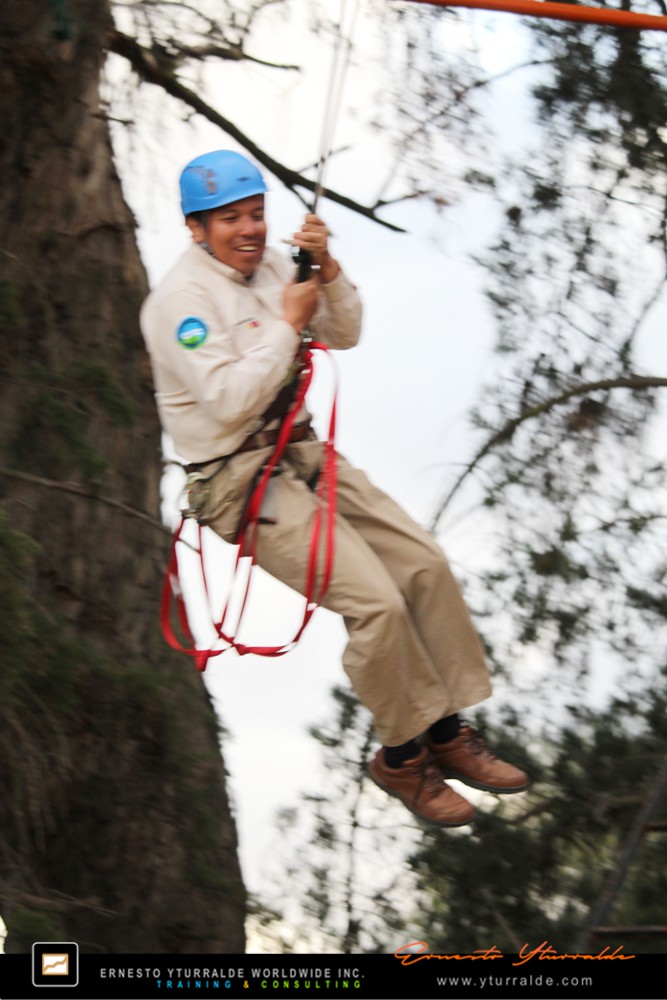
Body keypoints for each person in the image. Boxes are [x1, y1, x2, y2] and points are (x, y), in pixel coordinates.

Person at [141, 149, 528, 828]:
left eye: (256, 213)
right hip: (238, 481)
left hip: (303, 452)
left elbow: (343, 333)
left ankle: (446, 733)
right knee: (375, 603)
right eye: (229, 218)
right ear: (195, 228)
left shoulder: (272, 270)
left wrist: (330, 273)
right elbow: (229, 402)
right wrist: (288, 321)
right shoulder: (180, 305)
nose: (250, 230)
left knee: (423, 565)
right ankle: (403, 760)